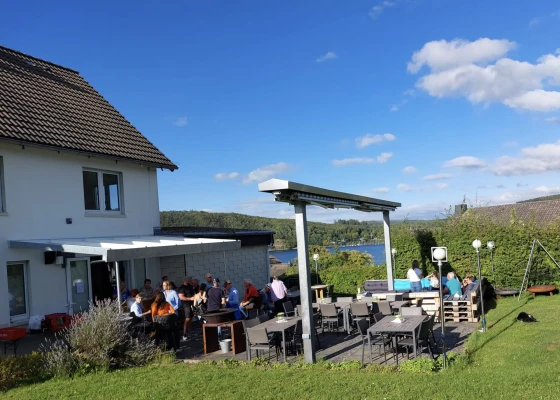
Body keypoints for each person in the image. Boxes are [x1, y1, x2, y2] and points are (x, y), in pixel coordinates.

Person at [178, 276, 195, 341]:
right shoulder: (182, 288)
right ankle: (184, 334)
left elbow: (193, 293)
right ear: (186, 280)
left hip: (191, 304)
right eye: (189, 280)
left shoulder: (190, 286)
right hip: (186, 305)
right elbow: (181, 297)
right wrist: (190, 298)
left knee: (190, 318)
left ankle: (190, 332)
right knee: (187, 319)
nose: (190, 281)